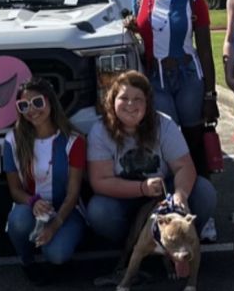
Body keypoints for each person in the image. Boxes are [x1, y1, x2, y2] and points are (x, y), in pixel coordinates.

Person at [128, 0, 219, 240]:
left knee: (194, 142)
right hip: (157, 80)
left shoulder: (194, 0)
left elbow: (205, 50)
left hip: (188, 77)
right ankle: (171, 209)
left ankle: (204, 214)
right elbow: (134, 35)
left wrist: (210, 93)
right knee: (167, 145)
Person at [85, 70, 217, 243]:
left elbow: (184, 167)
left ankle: (181, 237)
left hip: (163, 193)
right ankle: (132, 243)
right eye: (123, 98)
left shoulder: (164, 124)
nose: (130, 104)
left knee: (204, 191)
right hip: (123, 198)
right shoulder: (100, 131)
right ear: (112, 101)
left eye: (138, 99)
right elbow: (99, 181)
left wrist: (180, 196)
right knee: (98, 210)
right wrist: (142, 188)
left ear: (147, 102)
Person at [3, 77, 87, 284]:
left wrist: (55, 225)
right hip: (32, 209)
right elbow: (14, 190)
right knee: (18, 220)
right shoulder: (12, 140)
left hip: (66, 211)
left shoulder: (74, 140)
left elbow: (73, 194)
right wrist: (32, 202)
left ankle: (55, 253)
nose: (32, 110)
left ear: (50, 102)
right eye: (24, 105)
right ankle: (27, 261)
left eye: (38, 102)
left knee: (57, 254)